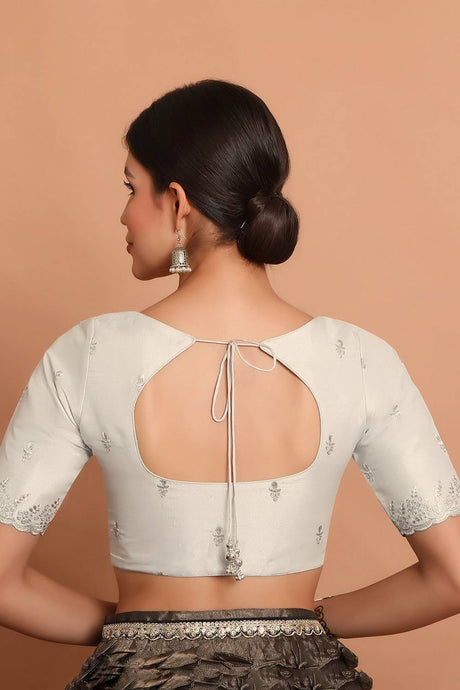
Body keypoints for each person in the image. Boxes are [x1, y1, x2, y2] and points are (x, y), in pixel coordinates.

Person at [1, 79, 459, 689]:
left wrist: (137, 632)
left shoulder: (89, 354)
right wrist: (308, 623)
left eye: (131, 188)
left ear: (178, 203)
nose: (123, 213)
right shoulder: (360, 360)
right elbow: (453, 576)